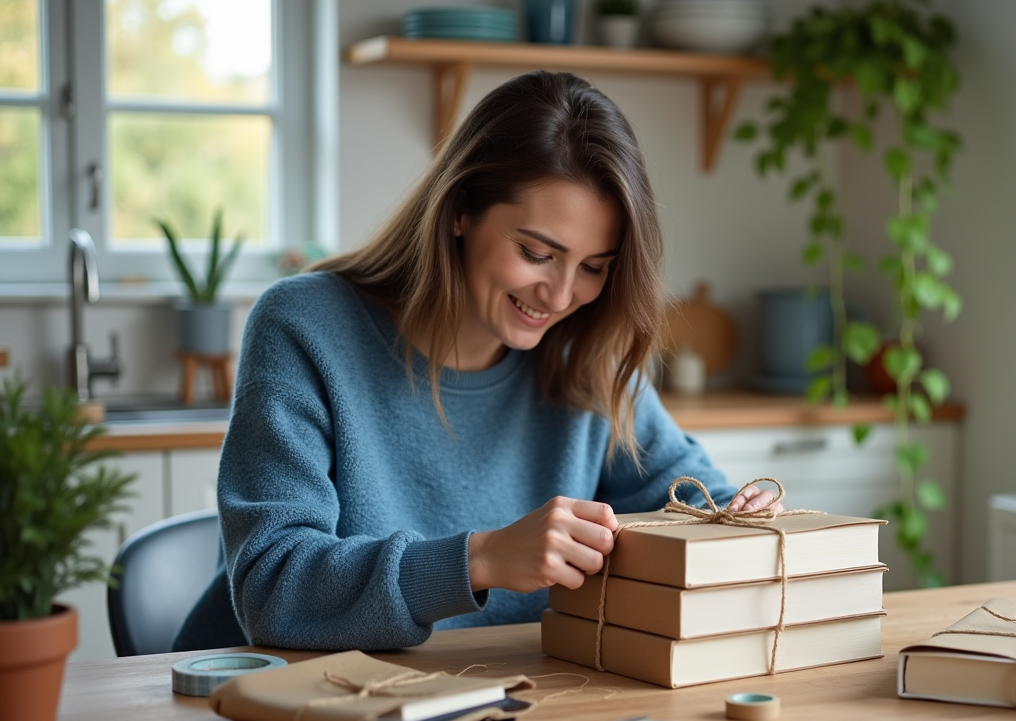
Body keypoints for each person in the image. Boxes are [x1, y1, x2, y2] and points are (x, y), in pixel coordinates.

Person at [174, 71, 777, 652]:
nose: (561, 296)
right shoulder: (305, 326)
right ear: (461, 209)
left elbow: (695, 499)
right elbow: (273, 586)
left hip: (493, 696)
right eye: (536, 253)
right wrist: (481, 559)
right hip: (261, 696)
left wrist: (739, 516)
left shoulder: (588, 351)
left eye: (594, 267)